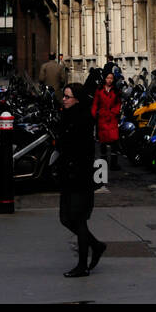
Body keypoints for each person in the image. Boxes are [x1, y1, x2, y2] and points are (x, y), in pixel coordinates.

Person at [56, 84, 105, 277]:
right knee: (65, 219)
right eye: (64, 96)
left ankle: (82, 265)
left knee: (78, 219)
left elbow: (84, 151)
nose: (64, 99)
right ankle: (96, 245)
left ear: (77, 99)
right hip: (67, 175)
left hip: (80, 176)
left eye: (68, 97)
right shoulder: (66, 115)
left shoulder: (84, 119)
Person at [91, 72, 121, 171]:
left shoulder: (116, 91)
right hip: (103, 118)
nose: (109, 80)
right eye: (108, 78)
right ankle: (104, 163)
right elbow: (95, 103)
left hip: (112, 118)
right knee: (103, 142)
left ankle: (114, 163)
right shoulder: (99, 90)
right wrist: (94, 114)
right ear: (104, 79)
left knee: (114, 141)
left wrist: (115, 112)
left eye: (111, 78)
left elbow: (118, 104)